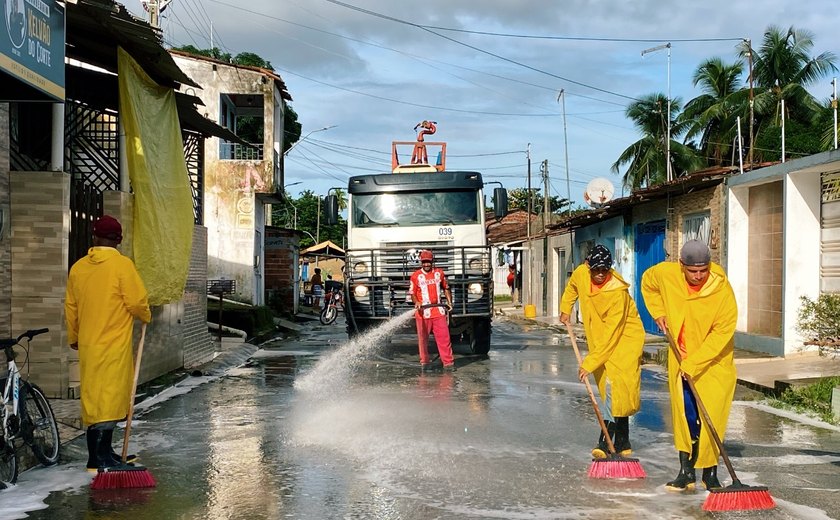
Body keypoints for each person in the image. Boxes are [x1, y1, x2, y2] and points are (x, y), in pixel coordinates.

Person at [641, 239, 737, 492]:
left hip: (713, 362)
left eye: (703, 270)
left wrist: (693, 362)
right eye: (692, 271)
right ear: (681, 265)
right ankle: (686, 472)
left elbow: (722, 334)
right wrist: (658, 312)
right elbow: (647, 283)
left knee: (712, 416)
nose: (698, 276)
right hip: (680, 357)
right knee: (685, 416)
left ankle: (710, 473)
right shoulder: (666, 273)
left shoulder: (721, 290)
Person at [64, 215, 151, 472]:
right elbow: (136, 302)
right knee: (111, 398)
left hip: (89, 343)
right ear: (119, 240)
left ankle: (104, 453)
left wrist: (74, 337)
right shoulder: (122, 266)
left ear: (94, 237)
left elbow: (71, 307)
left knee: (94, 398)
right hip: (113, 344)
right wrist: (145, 314)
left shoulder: (79, 268)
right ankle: (98, 459)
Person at [559, 245, 644, 458]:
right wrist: (565, 309)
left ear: (610, 269)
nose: (599, 274)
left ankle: (604, 443)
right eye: (595, 269)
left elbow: (612, 335)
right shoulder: (581, 273)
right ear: (588, 265)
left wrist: (589, 363)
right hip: (600, 339)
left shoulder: (617, 293)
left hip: (625, 340)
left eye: (604, 270)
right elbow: (572, 288)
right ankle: (623, 441)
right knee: (614, 390)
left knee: (614, 388)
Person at [409, 250, 456, 371]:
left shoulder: (439, 273)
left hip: (438, 311)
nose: (426, 265)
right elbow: (412, 293)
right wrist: (417, 302)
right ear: (421, 262)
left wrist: (449, 302)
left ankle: (448, 363)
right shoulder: (415, 276)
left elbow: (446, 288)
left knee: (444, 338)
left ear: (432, 262)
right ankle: (425, 363)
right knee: (423, 340)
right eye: (424, 262)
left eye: (428, 262)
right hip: (423, 313)